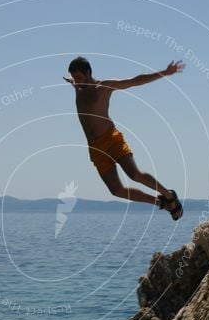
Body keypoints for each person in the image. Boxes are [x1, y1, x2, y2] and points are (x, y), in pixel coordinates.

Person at [63, 56, 185, 219]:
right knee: (116, 190)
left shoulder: (104, 87)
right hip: (95, 147)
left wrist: (164, 73)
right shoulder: (78, 87)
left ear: (88, 73)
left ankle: (168, 194)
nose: (76, 82)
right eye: (74, 78)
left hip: (111, 139)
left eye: (78, 77)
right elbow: (74, 81)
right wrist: (73, 80)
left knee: (134, 175)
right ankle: (162, 203)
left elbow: (135, 81)